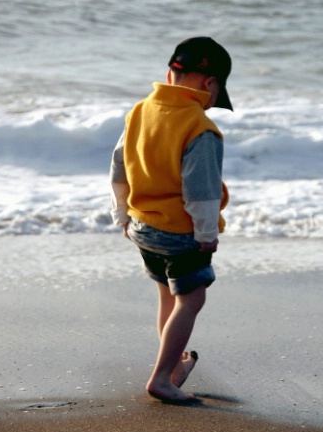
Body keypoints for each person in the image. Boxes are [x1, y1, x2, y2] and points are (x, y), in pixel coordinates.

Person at [110, 36, 233, 403]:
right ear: (209, 84)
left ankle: (176, 365)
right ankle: (162, 378)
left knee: (169, 294)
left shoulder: (141, 110)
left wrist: (121, 212)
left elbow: (118, 167)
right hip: (180, 233)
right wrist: (207, 234)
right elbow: (202, 193)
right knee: (191, 300)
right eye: (216, 94)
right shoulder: (200, 128)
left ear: (170, 73)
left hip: (142, 226)